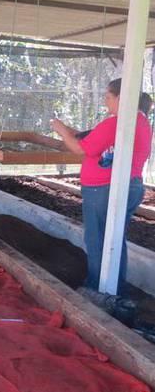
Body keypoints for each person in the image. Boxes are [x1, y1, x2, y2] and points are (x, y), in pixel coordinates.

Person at [51, 79, 152, 298]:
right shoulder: (140, 121)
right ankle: (115, 287)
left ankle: (99, 288)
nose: (105, 100)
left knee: (97, 238)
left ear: (121, 98)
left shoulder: (117, 123)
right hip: (130, 185)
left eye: (108, 96)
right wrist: (70, 131)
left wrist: (60, 130)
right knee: (114, 238)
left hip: (103, 190)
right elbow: (90, 138)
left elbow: (80, 148)